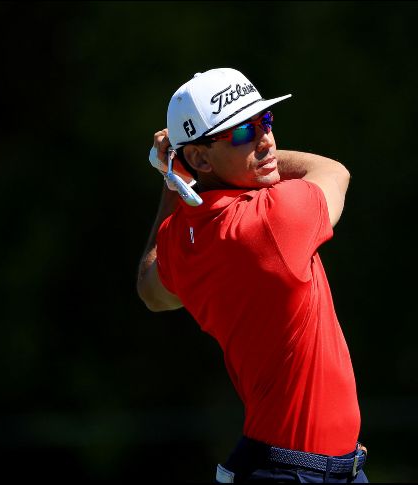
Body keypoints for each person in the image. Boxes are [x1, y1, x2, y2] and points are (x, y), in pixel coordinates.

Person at [136, 68, 368, 483]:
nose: (265, 139)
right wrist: (178, 170)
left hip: (296, 465)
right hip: (296, 471)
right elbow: (334, 171)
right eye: (242, 132)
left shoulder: (181, 238)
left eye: (266, 121)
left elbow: (151, 289)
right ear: (202, 157)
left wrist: (173, 178)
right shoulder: (271, 220)